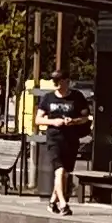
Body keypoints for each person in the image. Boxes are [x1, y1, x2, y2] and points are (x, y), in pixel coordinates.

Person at [37, 81, 82, 213]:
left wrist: (73, 121)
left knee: (65, 174)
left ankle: (52, 203)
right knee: (59, 170)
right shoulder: (48, 98)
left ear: (66, 82)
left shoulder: (77, 97)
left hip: (70, 140)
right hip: (53, 139)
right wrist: (53, 122)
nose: (56, 83)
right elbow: (38, 119)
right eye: (54, 80)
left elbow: (85, 117)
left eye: (59, 80)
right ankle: (63, 204)